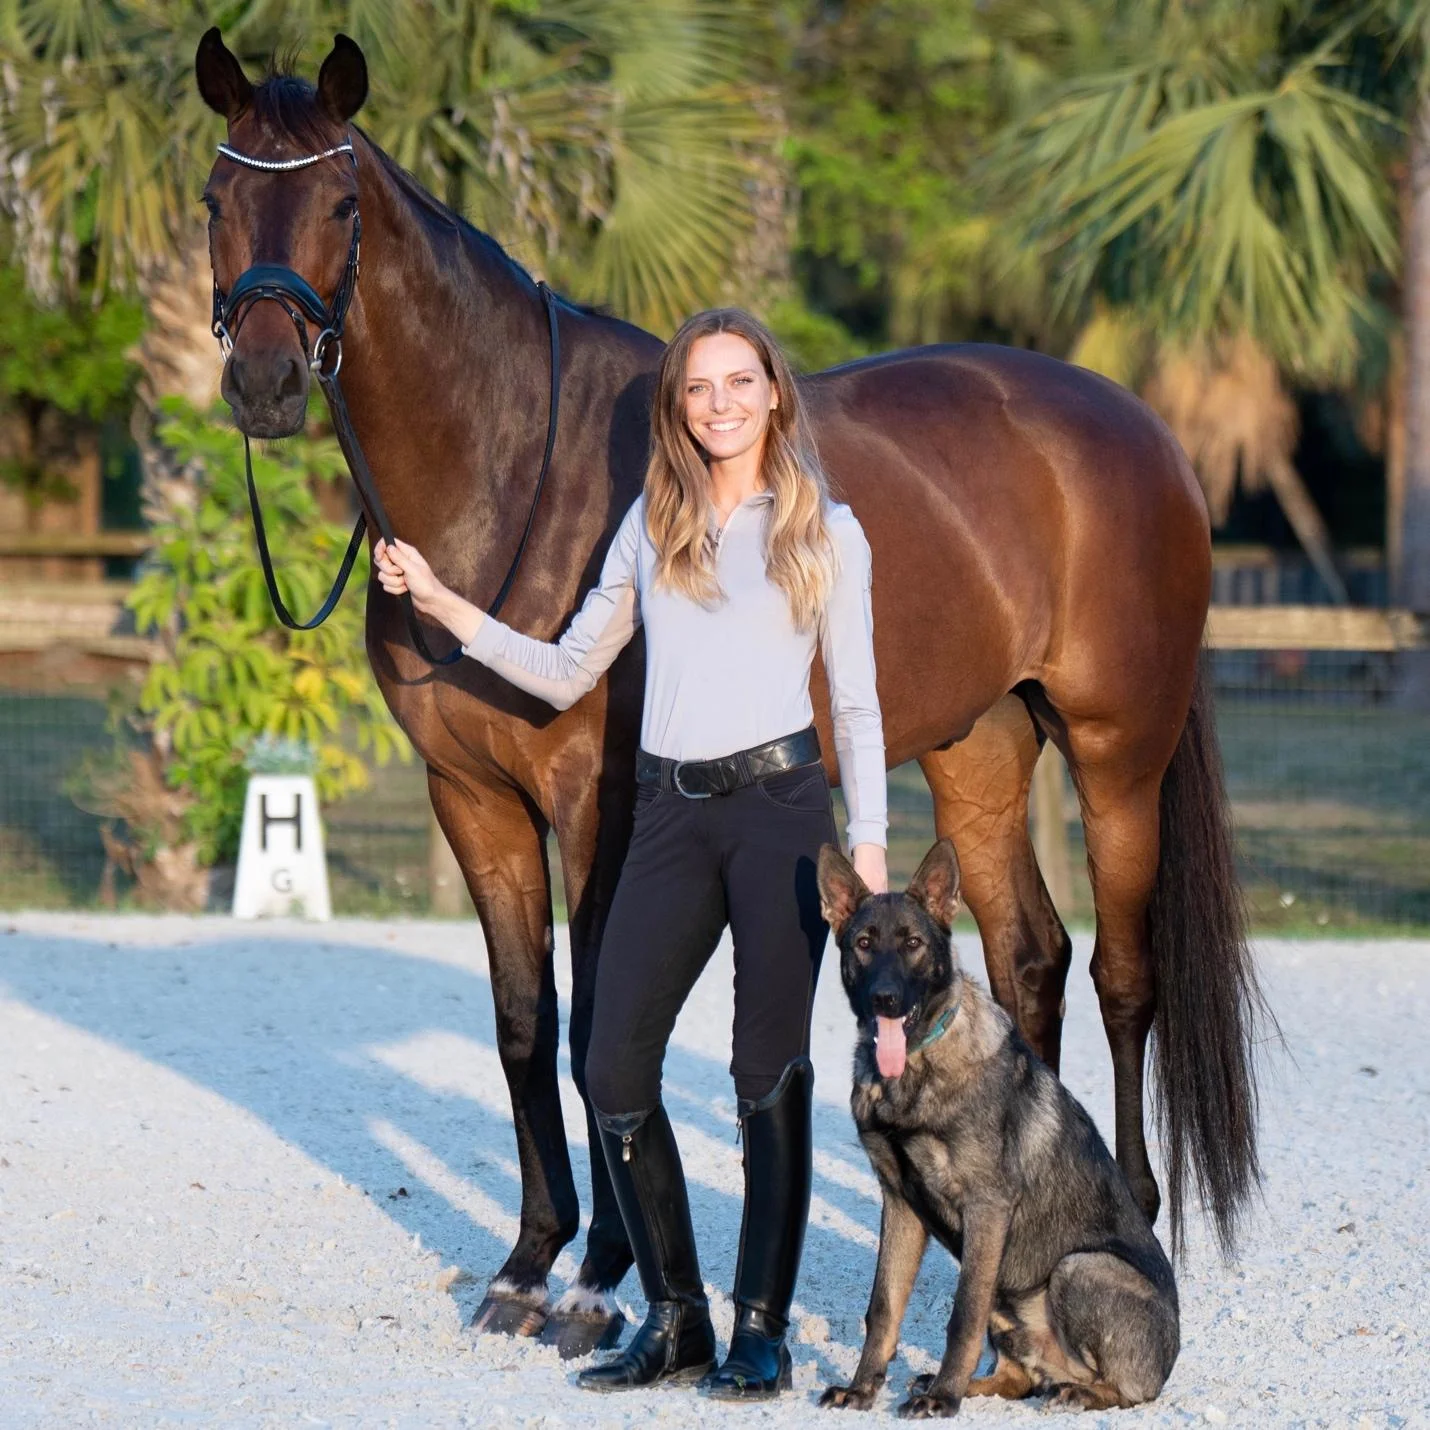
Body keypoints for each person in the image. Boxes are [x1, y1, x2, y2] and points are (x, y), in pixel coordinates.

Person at [373, 308, 887, 1399]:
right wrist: (440, 600)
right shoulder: (650, 528)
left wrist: (874, 844)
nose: (719, 403)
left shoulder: (823, 529)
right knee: (611, 1061)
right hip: (665, 813)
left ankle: (761, 1325)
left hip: (780, 813)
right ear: (678, 408)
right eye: (698, 388)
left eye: (737, 382)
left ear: (772, 393)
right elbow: (562, 671)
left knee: (766, 1071)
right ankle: (676, 1314)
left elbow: (857, 701)